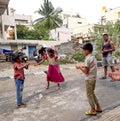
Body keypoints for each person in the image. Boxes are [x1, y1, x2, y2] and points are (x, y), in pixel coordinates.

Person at [76, 43, 102, 115]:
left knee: (89, 94)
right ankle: (98, 107)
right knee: (92, 93)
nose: (83, 52)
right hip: (93, 78)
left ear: (87, 50)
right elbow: (89, 67)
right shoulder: (93, 58)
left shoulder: (87, 58)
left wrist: (80, 67)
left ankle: (93, 110)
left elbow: (86, 71)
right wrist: (82, 66)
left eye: (84, 50)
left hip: (89, 79)